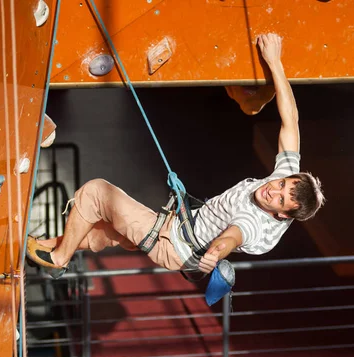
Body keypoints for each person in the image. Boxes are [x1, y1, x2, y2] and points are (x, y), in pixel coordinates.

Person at [26, 33, 325, 275]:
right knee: (108, 231)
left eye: (281, 198)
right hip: (178, 227)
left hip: (174, 244)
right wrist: (275, 62)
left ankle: (58, 260)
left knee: (95, 194)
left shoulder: (257, 223)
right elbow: (291, 120)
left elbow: (234, 235)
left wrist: (216, 253)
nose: (274, 189)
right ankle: (43, 247)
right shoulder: (283, 184)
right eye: (282, 184)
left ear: (283, 214)